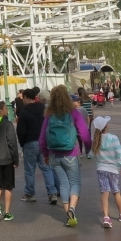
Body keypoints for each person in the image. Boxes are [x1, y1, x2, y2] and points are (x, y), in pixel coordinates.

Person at [40, 85, 91, 227]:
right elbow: (84, 133)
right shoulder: (73, 112)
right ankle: (73, 209)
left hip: (54, 154)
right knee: (74, 182)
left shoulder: (49, 114)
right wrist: (88, 148)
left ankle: (68, 215)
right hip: (71, 154)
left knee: (63, 183)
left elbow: (42, 138)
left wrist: (45, 154)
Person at [16, 88, 59, 205]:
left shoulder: (24, 112)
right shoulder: (43, 109)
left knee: (30, 170)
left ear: (25, 97)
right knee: (46, 168)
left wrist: (22, 143)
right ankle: (52, 193)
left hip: (30, 143)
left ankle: (30, 194)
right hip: (43, 142)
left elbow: (20, 131)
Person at [91, 116, 121, 228]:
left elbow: (91, 154)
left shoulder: (95, 139)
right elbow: (119, 153)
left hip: (101, 169)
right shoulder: (113, 138)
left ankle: (106, 217)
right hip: (113, 170)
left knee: (104, 193)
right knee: (116, 192)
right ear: (106, 126)